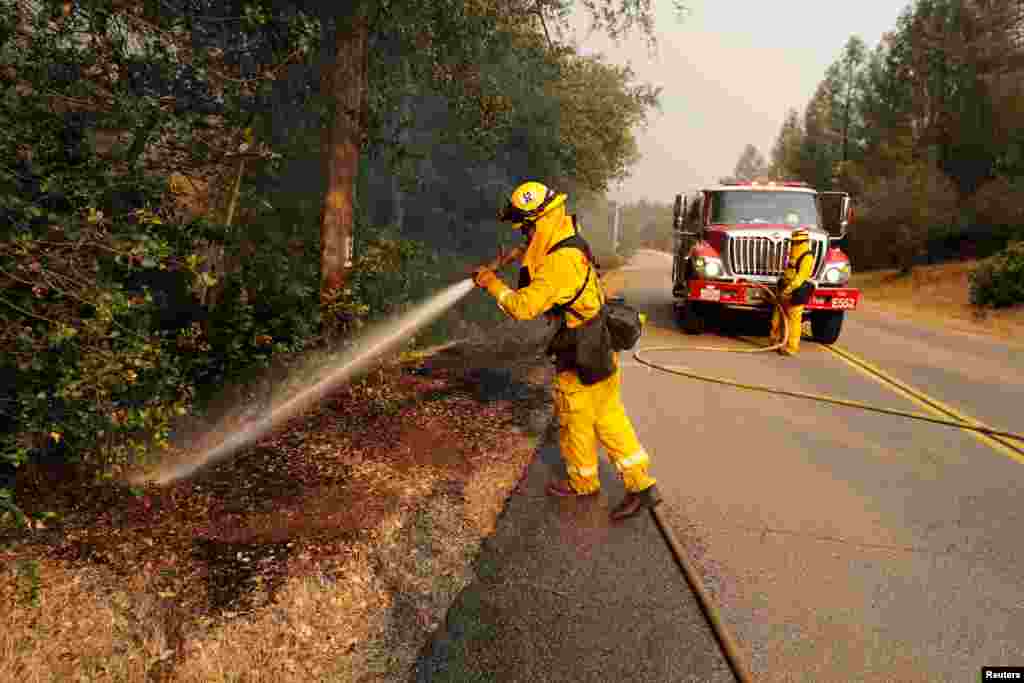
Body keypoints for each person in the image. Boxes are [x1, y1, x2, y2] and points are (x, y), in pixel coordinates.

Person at [472, 181, 661, 521]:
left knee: (575, 417)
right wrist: (509, 259)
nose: (525, 233)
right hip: (597, 339)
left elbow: (522, 307)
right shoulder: (565, 236)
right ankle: (639, 485)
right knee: (607, 414)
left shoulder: (560, 264)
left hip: (582, 347)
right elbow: (536, 250)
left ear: (540, 219)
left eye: (526, 226)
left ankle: (590, 483)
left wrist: (491, 284)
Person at [771, 228, 815, 356]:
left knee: (794, 320)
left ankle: (791, 347)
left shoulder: (807, 257)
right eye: (794, 242)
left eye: (797, 242)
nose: (794, 245)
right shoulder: (794, 255)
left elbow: (799, 279)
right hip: (785, 288)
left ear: (804, 242)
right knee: (777, 317)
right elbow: (789, 272)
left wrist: (788, 291)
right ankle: (776, 341)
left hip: (796, 292)